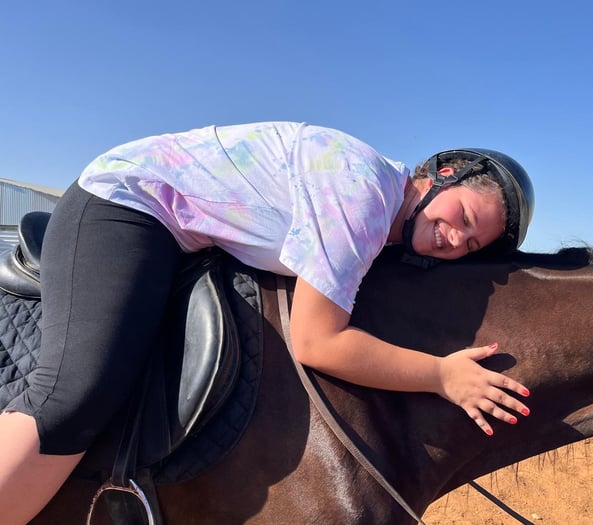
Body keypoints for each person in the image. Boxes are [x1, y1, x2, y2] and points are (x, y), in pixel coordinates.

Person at [0, 121, 535, 523]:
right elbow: (317, 342)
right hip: (126, 201)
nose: (455, 240)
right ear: (443, 175)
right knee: (76, 394)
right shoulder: (363, 194)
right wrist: (440, 374)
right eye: (464, 218)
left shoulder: (382, 210)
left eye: (471, 244)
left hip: (176, 231)